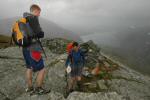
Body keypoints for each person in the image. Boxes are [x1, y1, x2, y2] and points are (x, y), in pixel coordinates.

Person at [22, 4, 47, 94]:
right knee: (42, 69)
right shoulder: (33, 19)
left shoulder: (24, 19)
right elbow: (40, 33)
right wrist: (41, 32)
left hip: (25, 48)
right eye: (39, 12)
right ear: (35, 11)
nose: (39, 15)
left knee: (29, 67)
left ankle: (30, 87)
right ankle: (39, 89)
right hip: (33, 49)